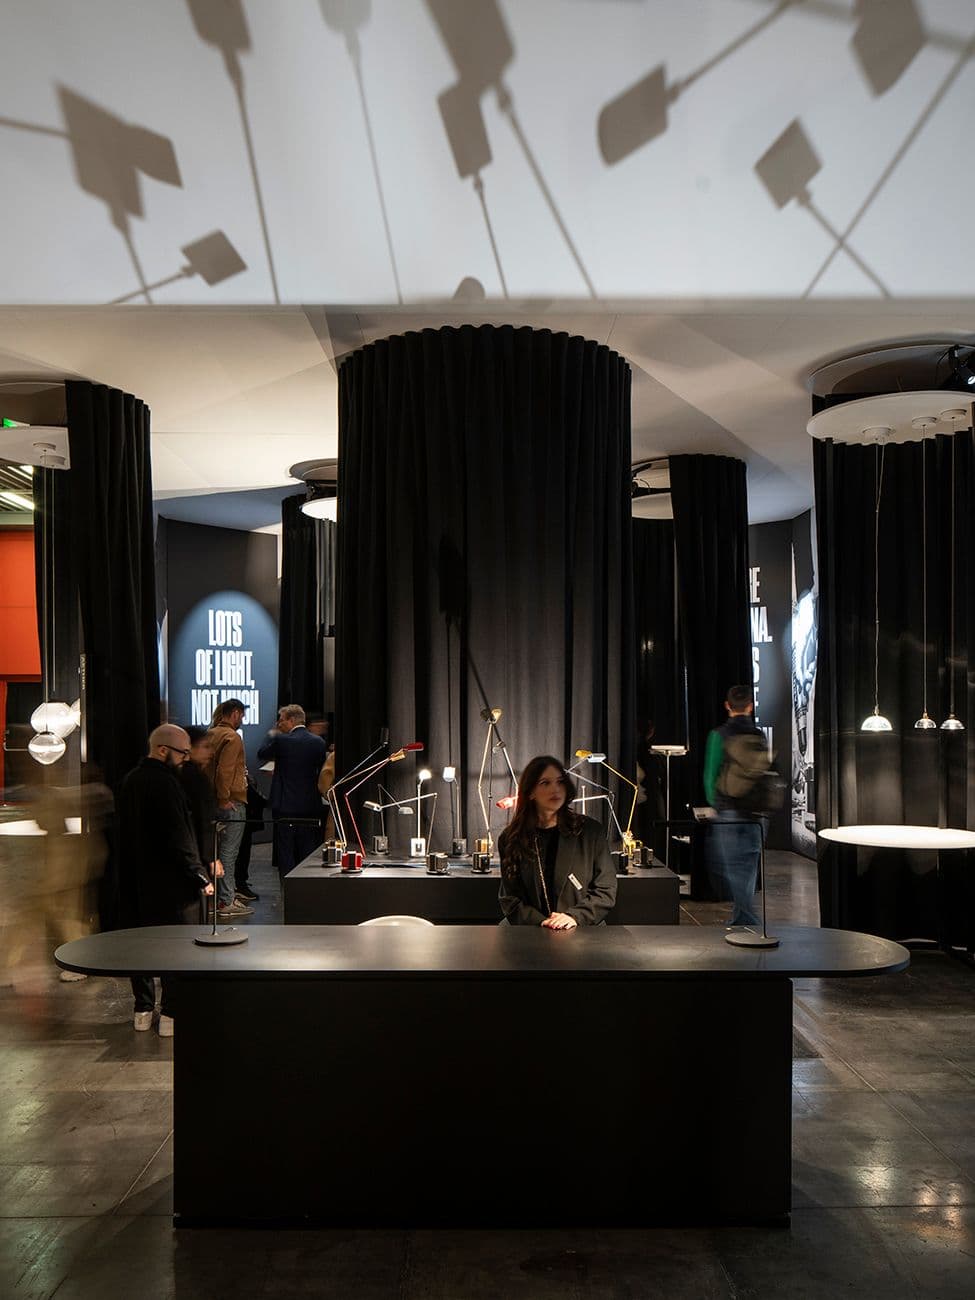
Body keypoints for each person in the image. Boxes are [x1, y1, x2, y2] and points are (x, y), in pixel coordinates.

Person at [116, 725, 215, 1035]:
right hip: (171, 885)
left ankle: (143, 1009)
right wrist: (199, 874)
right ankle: (171, 1013)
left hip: (136, 881)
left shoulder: (130, 780)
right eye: (182, 753)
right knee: (175, 946)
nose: (186, 758)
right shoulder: (167, 784)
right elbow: (178, 835)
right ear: (163, 750)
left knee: (140, 946)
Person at [498, 754, 617, 928]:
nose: (556, 789)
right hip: (530, 928)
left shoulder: (591, 832)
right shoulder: (510, 838)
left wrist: (574, 917)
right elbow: (510, 898)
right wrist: (542, 922)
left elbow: (605, 890)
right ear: (530, 792)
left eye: (560, 782)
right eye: (545, 783)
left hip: (581, 928)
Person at [703, 684, 763, 929]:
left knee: (731, 867)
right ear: (750, 706)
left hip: (727, 811)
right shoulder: (759, 736)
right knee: (747, 867)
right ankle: (742, 917)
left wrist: (714, 803)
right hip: (755, 812)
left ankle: (748, 918)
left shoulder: (719, 735)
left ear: (727, 706)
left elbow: (710, 774)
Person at [258, 704, 329, 878]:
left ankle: (287, 886)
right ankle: (305, 884)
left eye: (281, 720)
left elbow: (262, 753)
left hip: (285, 805)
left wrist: (272, 734)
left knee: (285, 850)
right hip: (309, 804)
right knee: (307, 848)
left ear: (291, 720)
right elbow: (320, 770)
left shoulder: (282, 740)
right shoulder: (318, 742)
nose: (279, 723)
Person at [205, 699, 253, 919]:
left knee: (215, 852)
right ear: (235, 713)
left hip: (211, 802)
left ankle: (218, 899)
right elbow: (225, 770)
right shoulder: (232, 737)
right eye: (241, 715)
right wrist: (224, 798)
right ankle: (225, 901)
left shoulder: (210, 734)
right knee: (228, 853)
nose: (242, 719)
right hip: (231, 801)